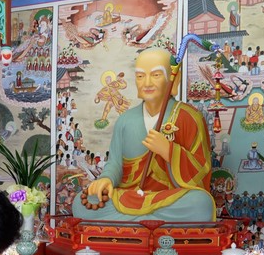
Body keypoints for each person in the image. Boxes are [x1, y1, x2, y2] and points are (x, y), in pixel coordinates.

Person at [72, 47, 215, 222]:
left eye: (155, 75)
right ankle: (151, 222)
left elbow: (202, 169)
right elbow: (115, 163)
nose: (147, 83)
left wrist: (170, 151)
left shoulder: (188, 117)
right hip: (130, 196)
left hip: (169, 197)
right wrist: (106, 179)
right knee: (82, 203)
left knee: (201, 204)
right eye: (140, 76)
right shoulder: (125, 120)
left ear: (173, 79)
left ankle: (134, 222)